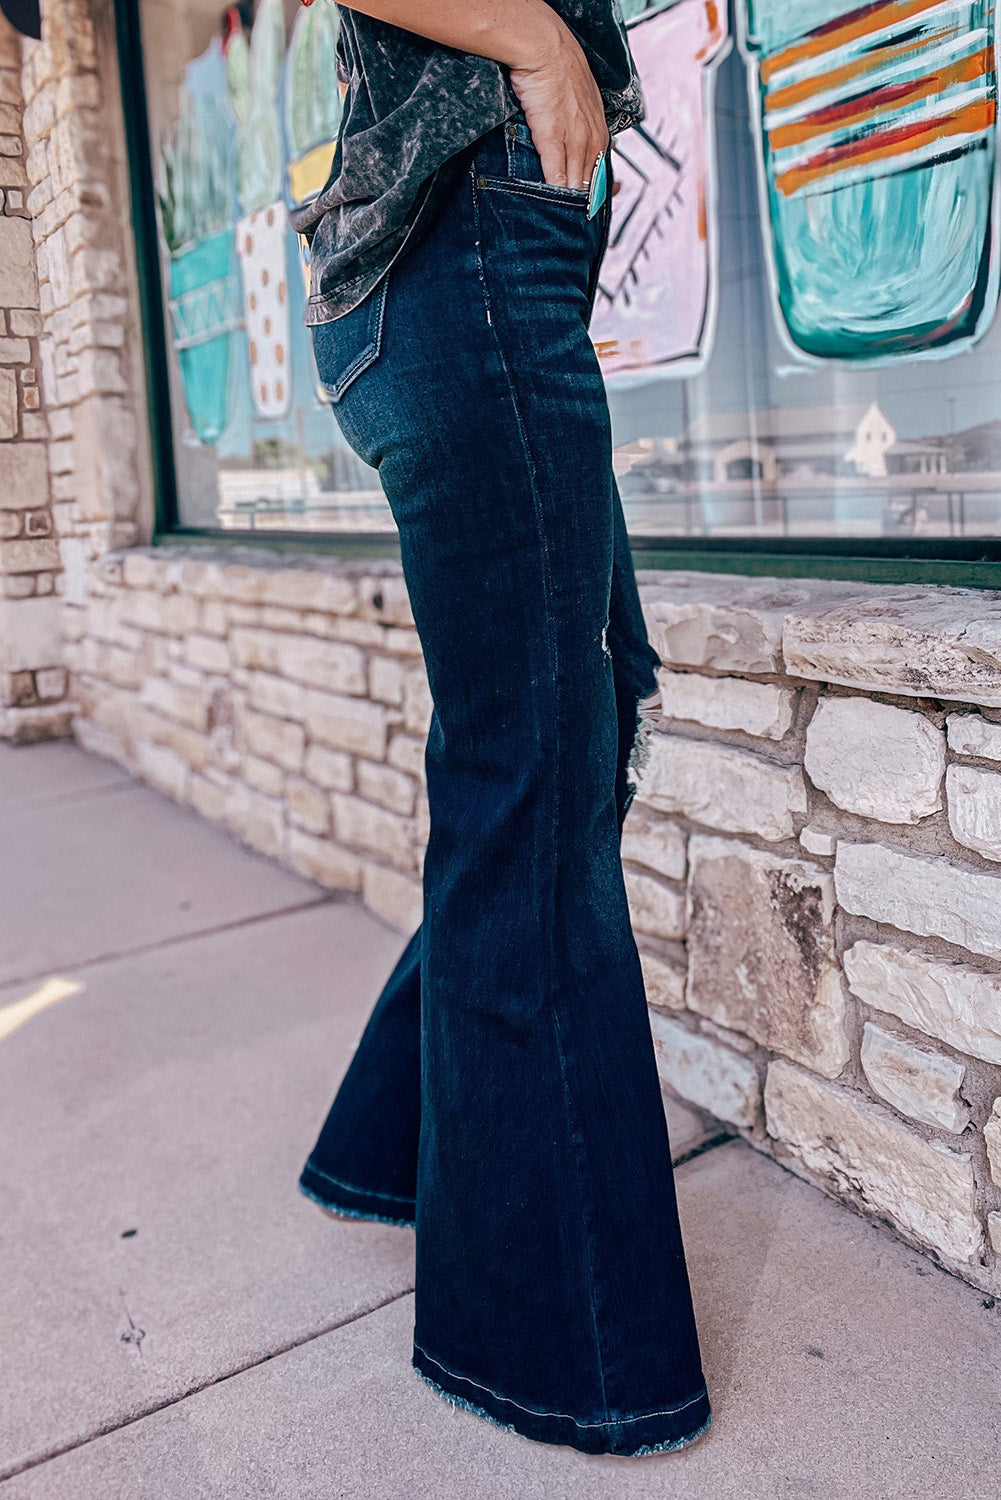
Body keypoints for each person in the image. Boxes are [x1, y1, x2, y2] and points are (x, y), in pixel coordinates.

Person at [291, 0, 710, 1458]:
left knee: (575, 724)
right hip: (456, 249)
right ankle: (549, 1346)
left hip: (453, 262)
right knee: (532, 776)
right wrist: (533, 37)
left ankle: (382, 1147)